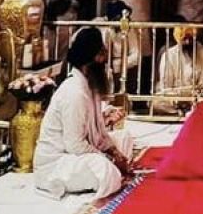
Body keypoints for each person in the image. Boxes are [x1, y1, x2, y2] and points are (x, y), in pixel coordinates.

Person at [34, 27, 134, 200]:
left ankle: (111, 168)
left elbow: (98, 133)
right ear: (90, 60)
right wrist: (109, 159)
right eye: (101, 55)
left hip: (77, 154)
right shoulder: (74, 92)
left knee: (124, 138)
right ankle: (110, 171)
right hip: (58, 162)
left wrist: (114, 152)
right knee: (105, 170)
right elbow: (74, 145)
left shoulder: (90, 85)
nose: (104, 60)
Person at [154, 25, 203, 114]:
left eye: (190, 39)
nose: (188, 42)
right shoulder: (168, 55)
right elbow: (166, 87)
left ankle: (188, 111)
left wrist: (192, 99)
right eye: (184, 39)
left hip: (194, 98)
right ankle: (178, 111)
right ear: (178, 40)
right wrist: (178, 100)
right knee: (156, 102)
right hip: (174, 98)